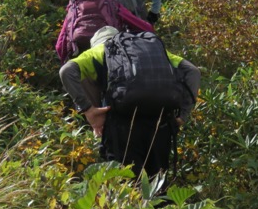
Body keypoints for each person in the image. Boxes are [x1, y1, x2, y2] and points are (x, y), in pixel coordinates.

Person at [59, 26, 201, 185]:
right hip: (162, 125)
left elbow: (66, 71)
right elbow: (193, 72)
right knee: (157, 186)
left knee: (128, 186)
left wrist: (88, 109)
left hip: (122, 127)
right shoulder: (150, 51)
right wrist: (183, 114)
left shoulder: (98, 52)